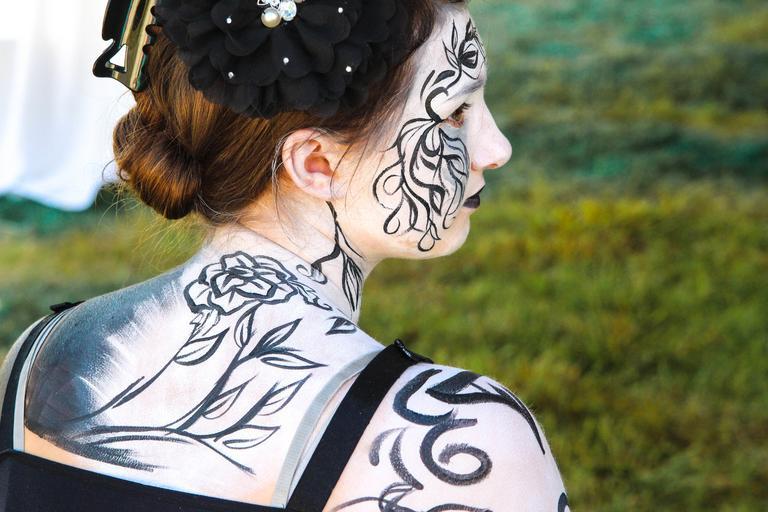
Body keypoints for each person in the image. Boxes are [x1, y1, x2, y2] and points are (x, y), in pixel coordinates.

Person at [0, 1, 569, 510]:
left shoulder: (40, 359)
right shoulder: (459, 439)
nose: (496, 149)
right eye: (455, 113)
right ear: (316, 163)